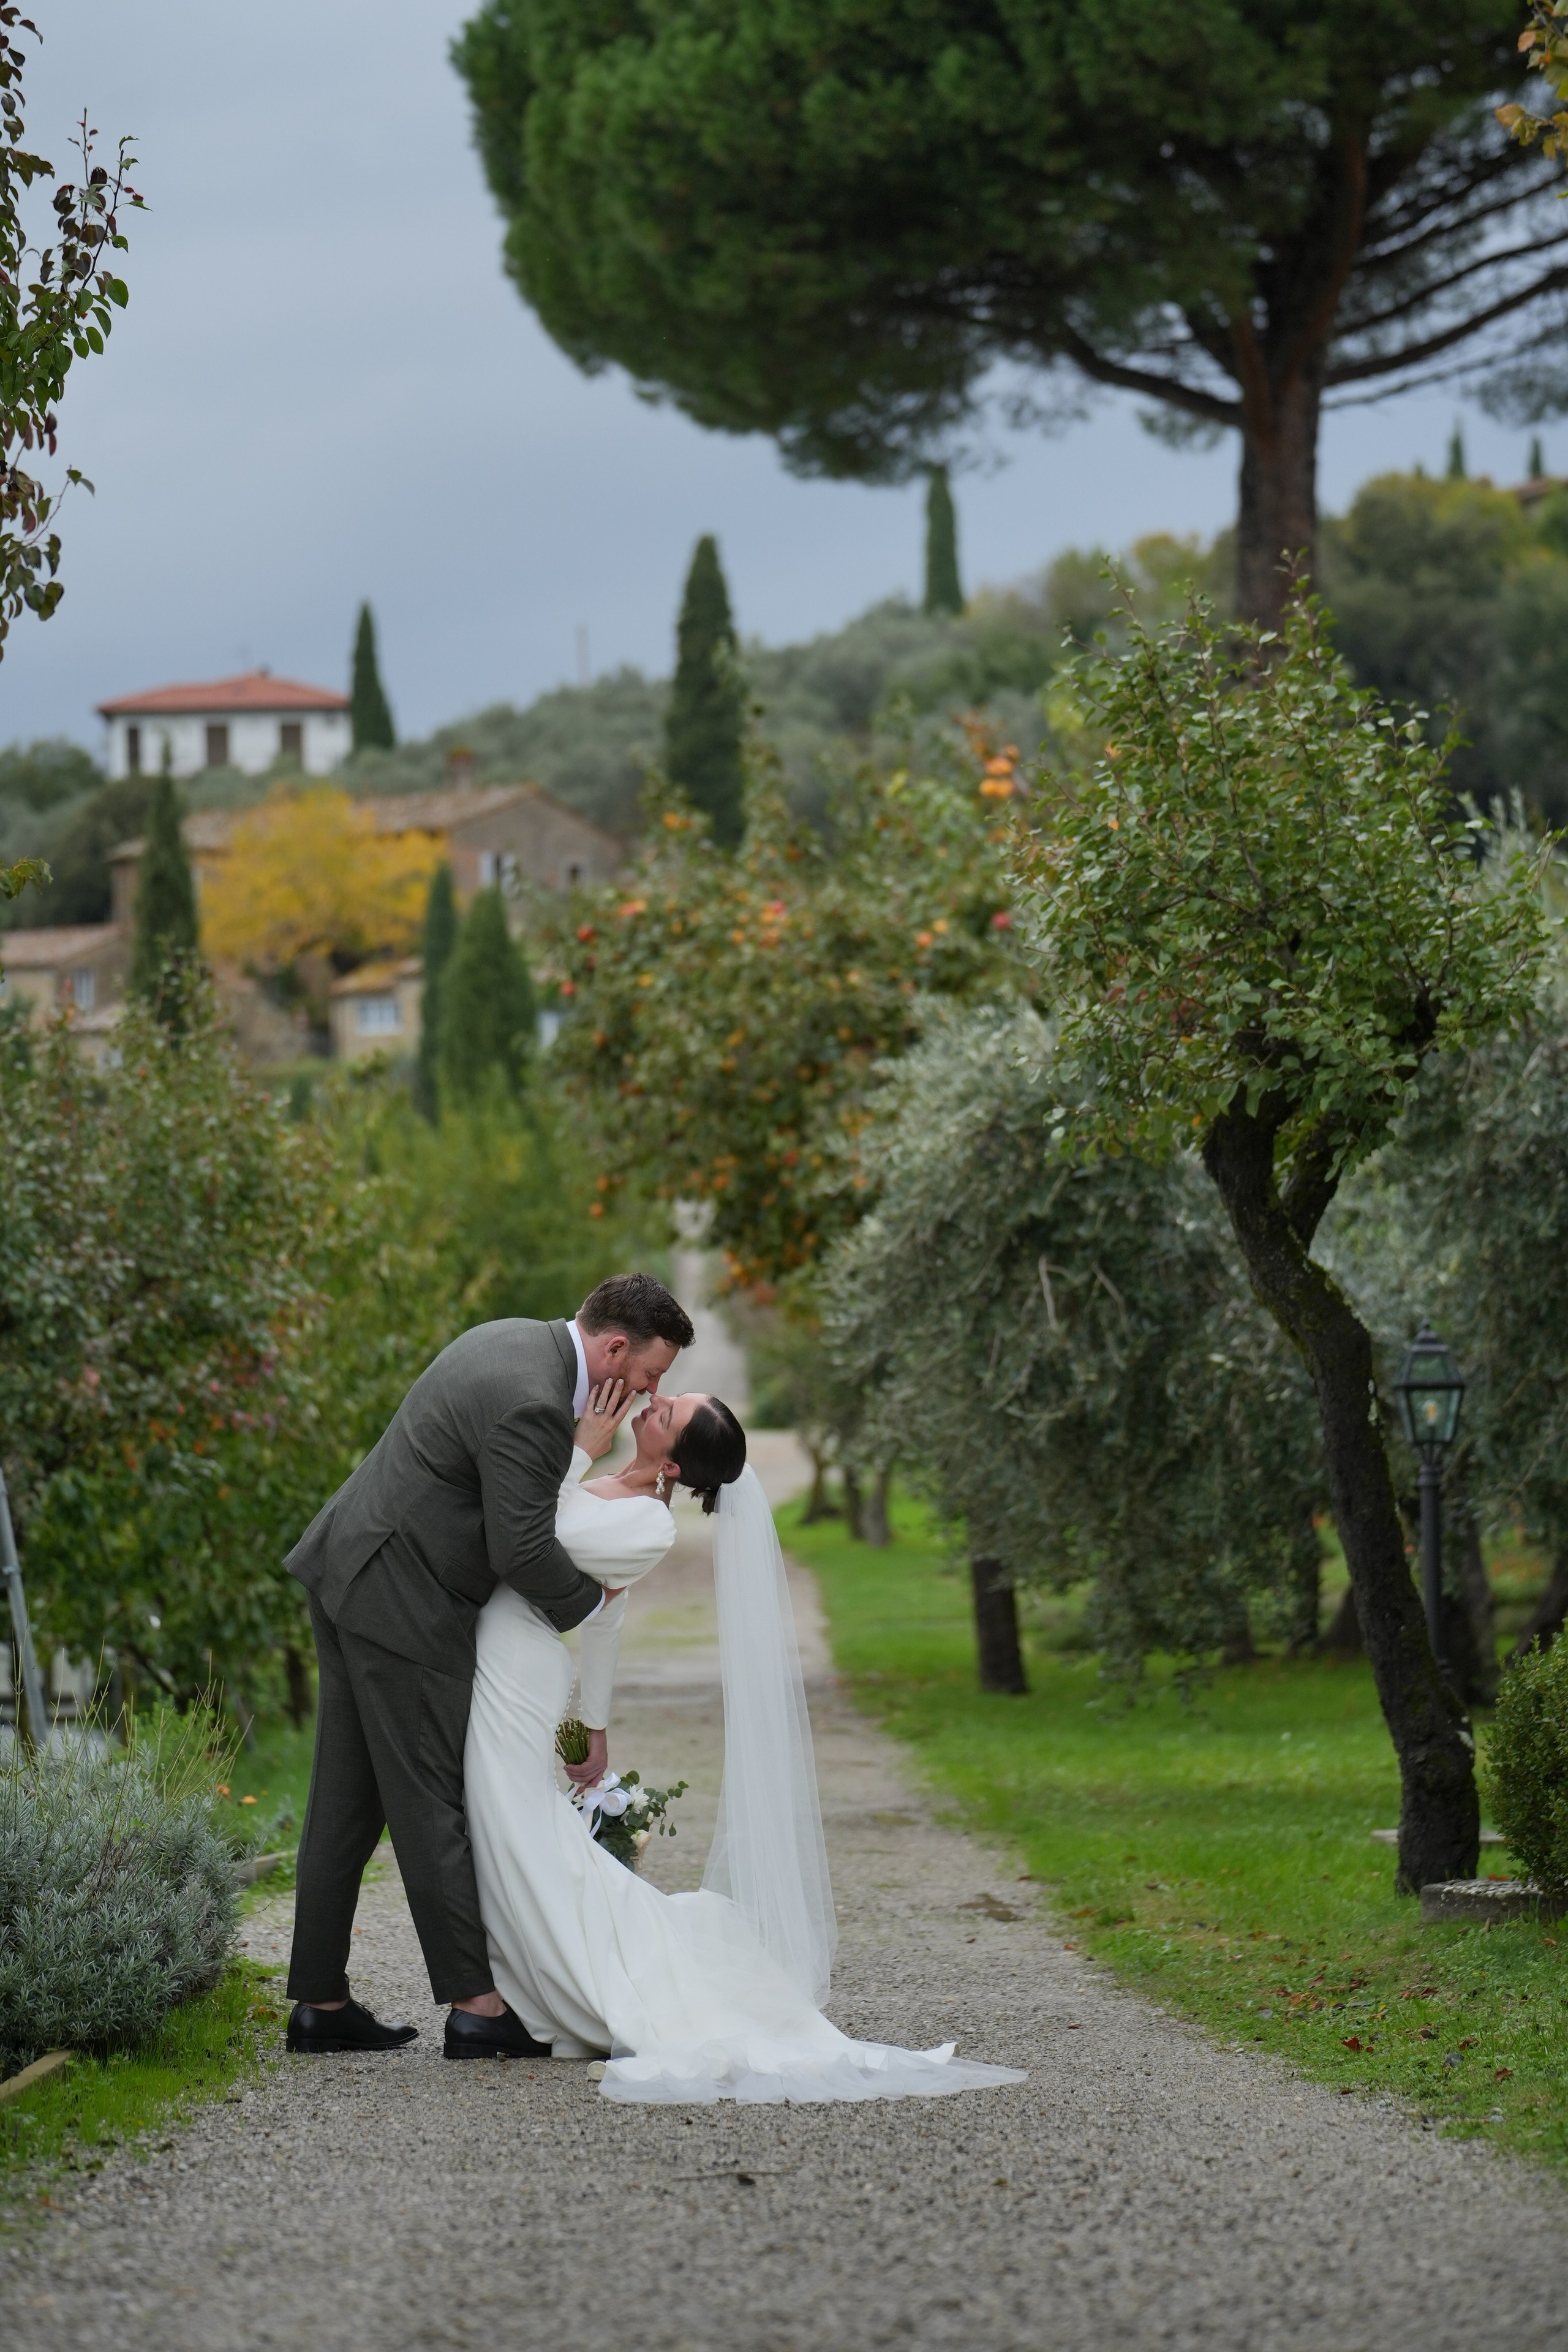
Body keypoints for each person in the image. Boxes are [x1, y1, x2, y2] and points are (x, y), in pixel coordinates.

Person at [462, 1378, 1027, 2103]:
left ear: (672, 1466)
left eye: (669, 1414)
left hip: (521, 1667)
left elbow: (535, 1536)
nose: (654, 1404)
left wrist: (574, 1454)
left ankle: (524, 1991)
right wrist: (593, 1726)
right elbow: (595, 1614)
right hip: (513, 1661)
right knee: (512, 1827)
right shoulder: (614, 1483)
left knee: (516, 1827)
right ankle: (514, 1984)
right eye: (669, 1398)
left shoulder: (645, 1523)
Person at [284, 1273, 694, 2059]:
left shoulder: (514, 1339)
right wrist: (594, 1602)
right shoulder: (537, 1404)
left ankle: (319, 2003)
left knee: (347, 1800)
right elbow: (523, 1548)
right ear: (614, 1349)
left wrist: (575, 1459)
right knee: (431, 1798)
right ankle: (477, 2008)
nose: (649, 1391)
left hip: (351, 1569)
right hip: (399, 1601)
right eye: (650, 1374)